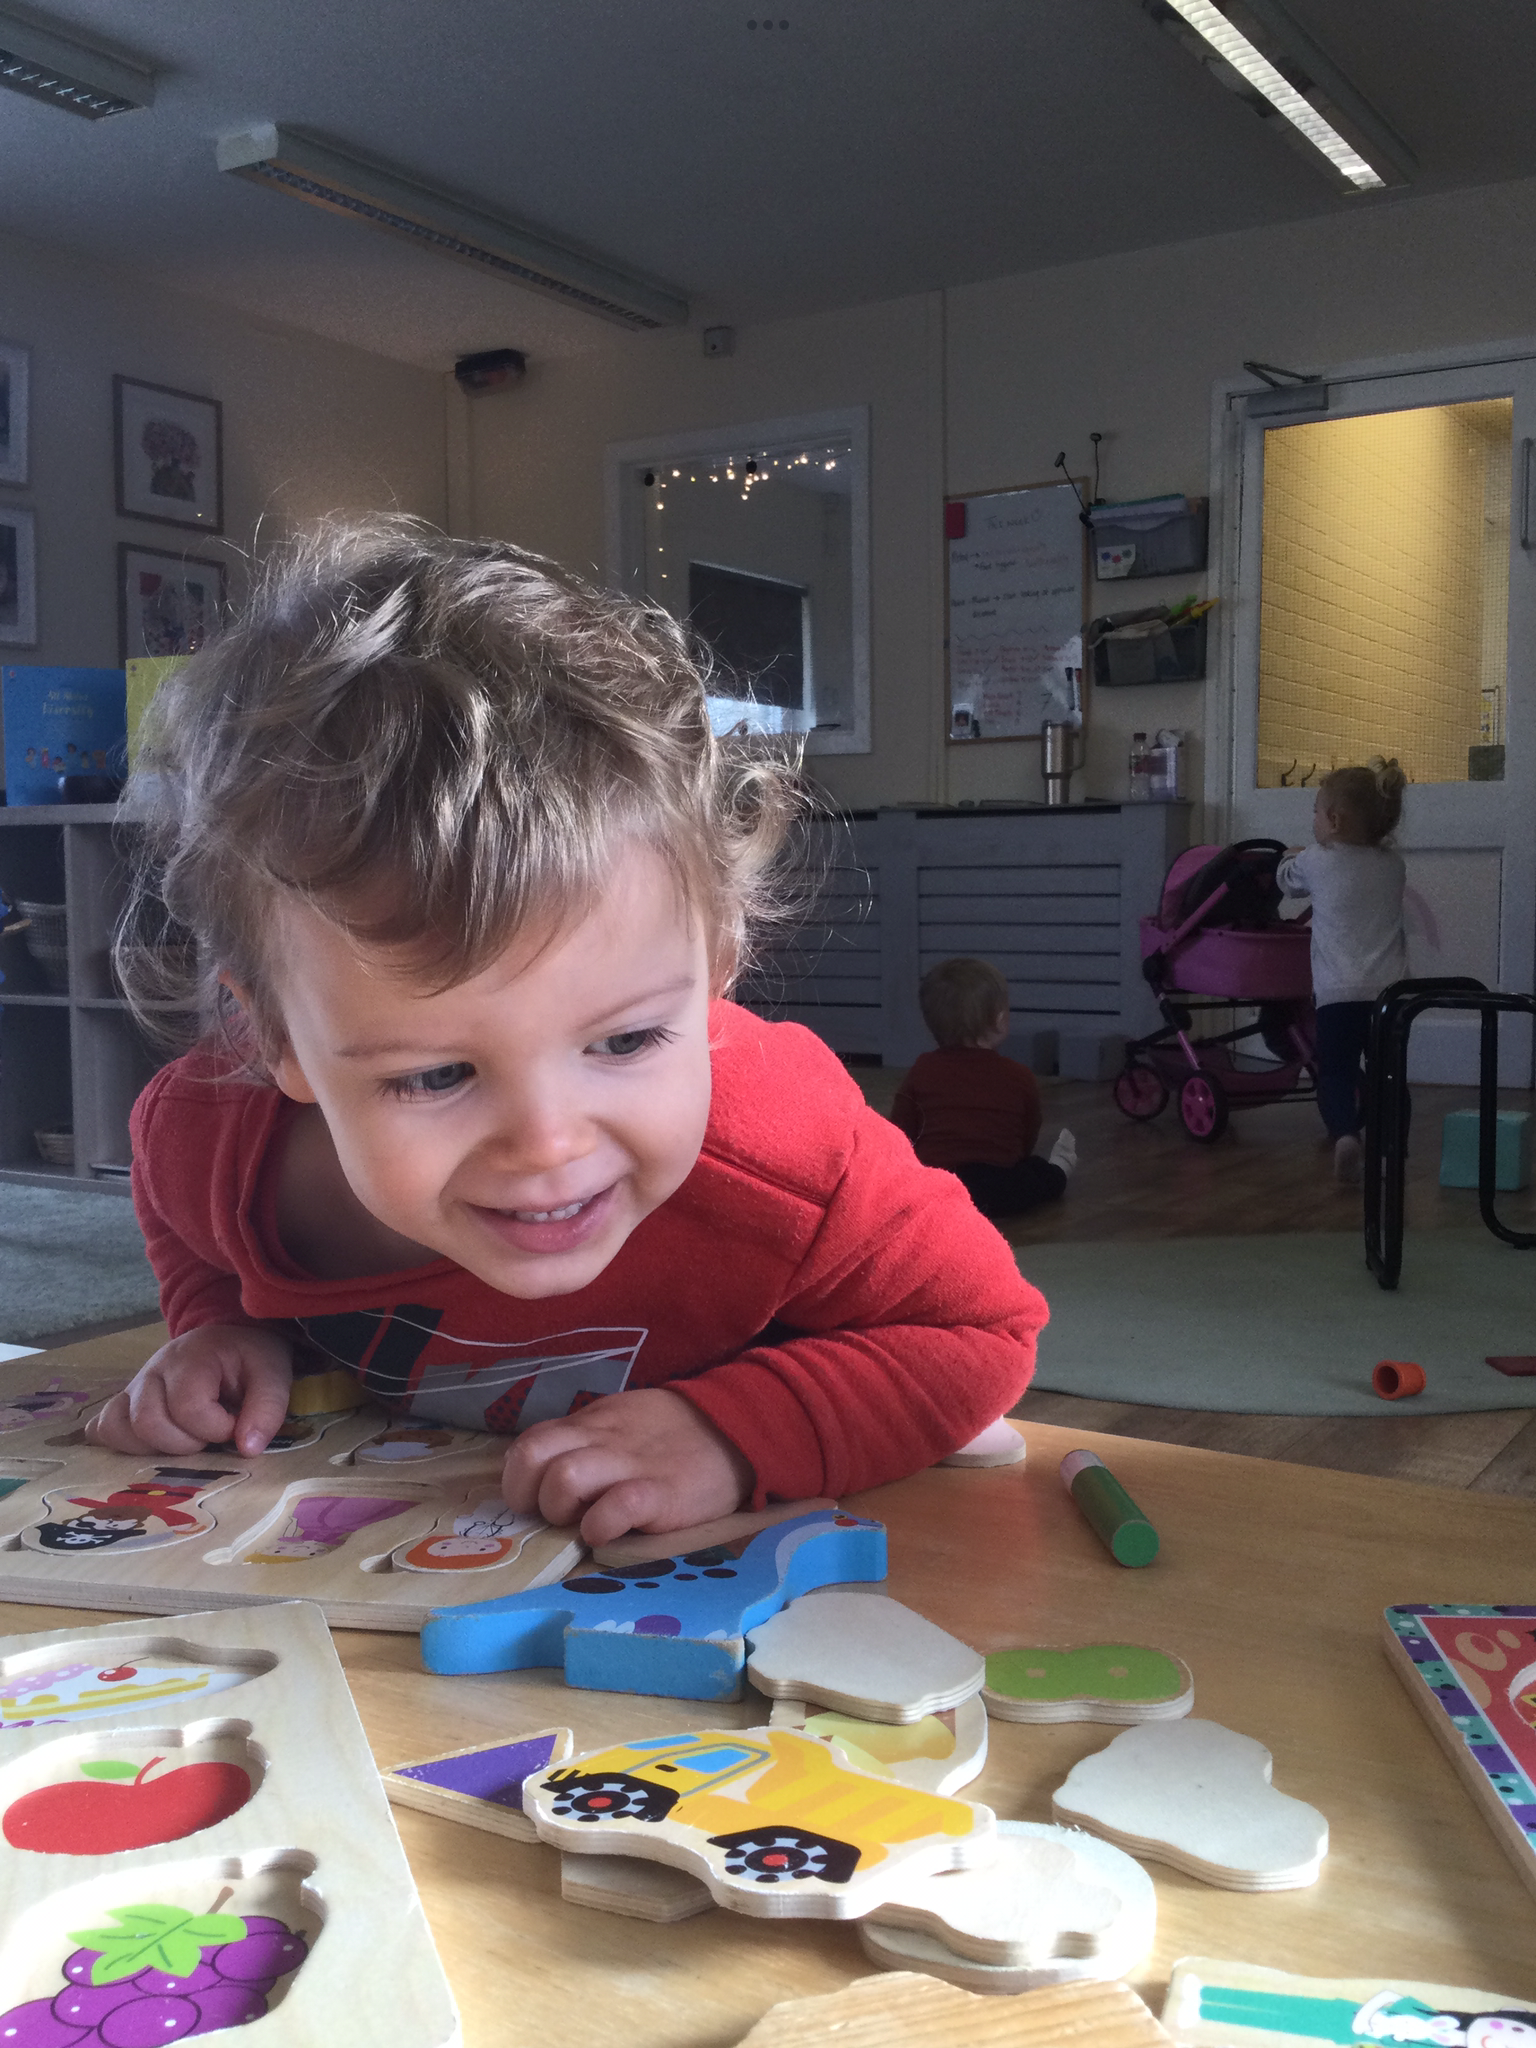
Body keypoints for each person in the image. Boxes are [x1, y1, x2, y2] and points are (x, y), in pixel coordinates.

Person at [92, 519, 1046, 1545]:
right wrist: (221, 1326)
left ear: (717, 967)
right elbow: (187, 1225)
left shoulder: (788, 1150)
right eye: (437, 1073)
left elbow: (979, 1326)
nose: (548, 1144)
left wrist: (730, 1431)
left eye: (627, 1041)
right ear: (274, 1035)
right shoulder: (204, 1136)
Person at [1278, 759, 1408, 1184]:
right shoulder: (1393, 865)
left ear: (1333, 820)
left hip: (1338, 994)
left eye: (1315, 811)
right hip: (1391, 995)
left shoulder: (1316, 860)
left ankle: (1345, 1134)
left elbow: (1287, 881)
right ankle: (1394, 1150)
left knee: (1336, 1071)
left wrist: (1287, 857)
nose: (1313, 819)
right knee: (1390, 1073)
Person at [891, 958, 1076, 1219]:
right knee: (1036, 1172)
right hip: (998, 1186)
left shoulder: (922, 1069)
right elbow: (1027, 1132)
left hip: (937, 1184)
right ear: (1000, 1020)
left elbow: (900, 1131)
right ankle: (1060, 1169)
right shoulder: (1018, 1075)